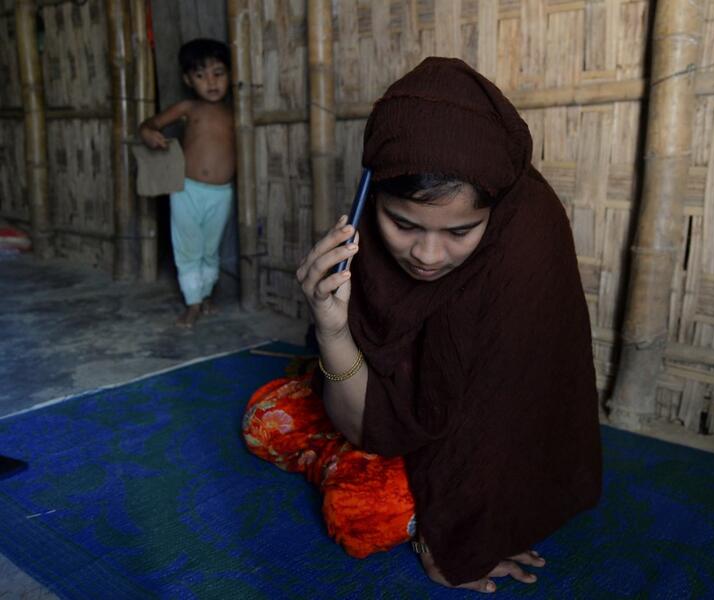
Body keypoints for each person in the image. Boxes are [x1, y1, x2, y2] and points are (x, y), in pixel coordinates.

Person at [242, 57, 602, 592]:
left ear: (493, 212)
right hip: (381, 416)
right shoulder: (361, 237)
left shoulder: (528, 235)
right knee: (262, 420)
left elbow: (506, 411)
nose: (428, 256)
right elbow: (362, 419)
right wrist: (332, 328)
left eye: (461, 231)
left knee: (369, 514)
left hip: (491, 434)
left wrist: (458, 537)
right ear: (374, 194)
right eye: (403, 224)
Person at [139, 38, 235, 328]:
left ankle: (205, 296)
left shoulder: (235, 112)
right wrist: (148, 134)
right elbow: (149, 124)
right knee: (188, 249)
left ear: (230, 75)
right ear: (187, 79)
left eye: (219, 73)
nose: (211, 82)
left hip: (221, 193)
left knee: (210, 249)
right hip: (187, 190)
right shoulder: (187, 107)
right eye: (201, 75)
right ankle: (193, 303)